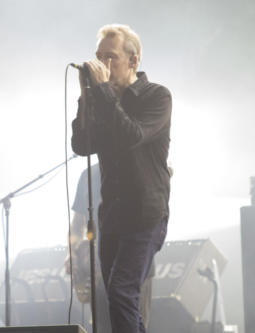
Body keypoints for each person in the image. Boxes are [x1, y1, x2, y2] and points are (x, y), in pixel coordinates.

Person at [71, 24, 172, 333]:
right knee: (115, 299)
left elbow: (131, 135)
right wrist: (85, 97)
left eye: (111, 57)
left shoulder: (156, 96)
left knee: (122, 292)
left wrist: (101, 93)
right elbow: (82, 145)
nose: (103, 65)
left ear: (134, 61)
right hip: (112, 217)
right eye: (99, 57)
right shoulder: (101, 102)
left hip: (145, 215)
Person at [66, 164, 155, 333]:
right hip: (100, 269)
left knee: (131, 324)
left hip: (134, 266)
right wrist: (70, 254)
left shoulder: (134, 164)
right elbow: (77, 223)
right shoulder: (88, 174)